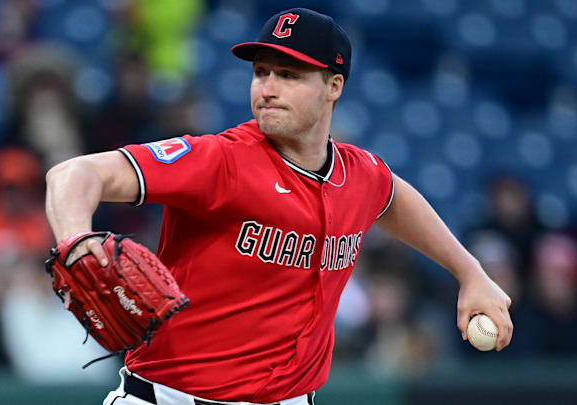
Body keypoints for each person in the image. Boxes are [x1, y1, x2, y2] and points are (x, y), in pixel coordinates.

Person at [45, 8, 513, 405]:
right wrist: (76, 240)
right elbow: (74, 174)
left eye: (288, 75)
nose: (267, 88)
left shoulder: (359, 173)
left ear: (334, 86)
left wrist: (469, 273)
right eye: (261, 72)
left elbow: (393, 197)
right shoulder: (220, 160)